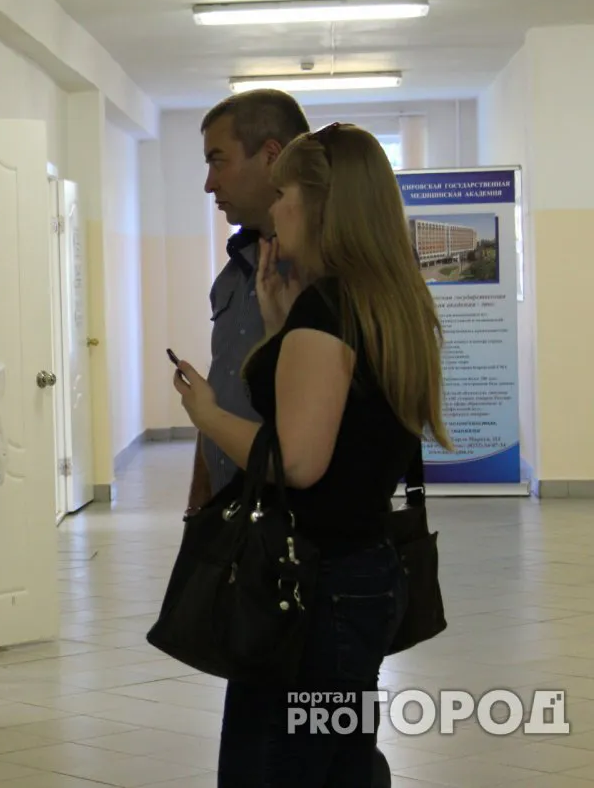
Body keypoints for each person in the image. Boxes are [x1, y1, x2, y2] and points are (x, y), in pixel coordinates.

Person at [172, 123, 452, 786]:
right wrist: (279, 327)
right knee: (342, 759)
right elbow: (344, 426)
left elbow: (297, 462)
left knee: (274, 762)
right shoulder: (385, 301)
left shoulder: (326, 311)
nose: (274, 210)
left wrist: (208, 415)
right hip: (362, 566)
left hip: (312, 589)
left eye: (284, 194)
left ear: (322, 204)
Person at [188, 89, 310, 518]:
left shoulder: (321, 275)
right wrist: (199, 503)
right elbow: (220, 386)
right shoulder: (234, 273)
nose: (209, 183)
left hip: (296, 522)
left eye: (218, 161)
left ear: (271, 155)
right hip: (230, 516)